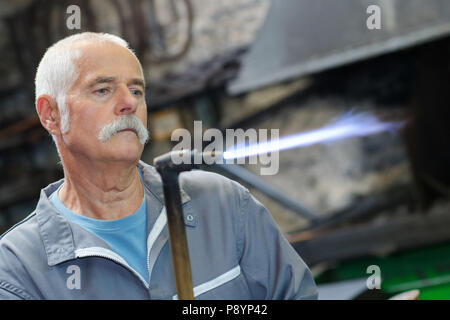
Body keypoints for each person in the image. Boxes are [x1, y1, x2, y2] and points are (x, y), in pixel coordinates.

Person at [0, 32, 317, 300]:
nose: (129, 103)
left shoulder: (223, 203)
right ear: (50, 115)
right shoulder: (19, 265)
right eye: (103, 90)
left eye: (136, 90)